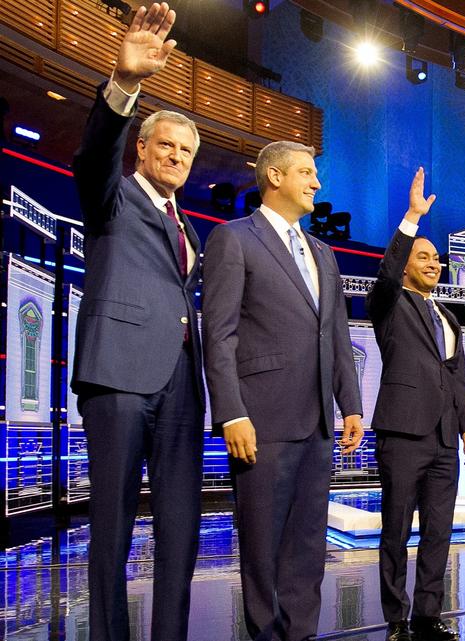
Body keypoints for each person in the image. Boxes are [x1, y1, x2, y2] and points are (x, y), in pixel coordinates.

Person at [70, 5, 204, 639]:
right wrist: (123, 85)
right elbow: (96, 153)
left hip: (182, 386)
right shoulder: (112, 194)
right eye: (165, 146)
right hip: (119, 376)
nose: (175, 157)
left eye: (186, 151)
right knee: (113, 527)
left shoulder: (190, 229)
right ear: (142, 149)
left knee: (182, 529)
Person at [202, 141, 364, 640]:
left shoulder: (322, 252)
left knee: (307, 546)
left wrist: (351, 405)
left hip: (316, 421)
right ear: (274, 176)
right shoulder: (234, 239)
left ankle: (301, 634)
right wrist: (231, 412)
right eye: (307, 173)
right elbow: (220, 334)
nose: (317, 183)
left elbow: (335, 334)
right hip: (260, 420)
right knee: (262, 543)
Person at [365, 169, 465, 641]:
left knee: (438, 530)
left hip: (443, 439)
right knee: (395, 530)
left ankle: (428, 614)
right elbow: (388, 272)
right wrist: (412, 217)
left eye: (437, 259)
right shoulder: (388, 304)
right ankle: (396, 620)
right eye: (425, 257)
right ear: (407, 263)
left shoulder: (447, 315)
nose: (434, 264)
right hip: (403, 433)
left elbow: (457, 374)